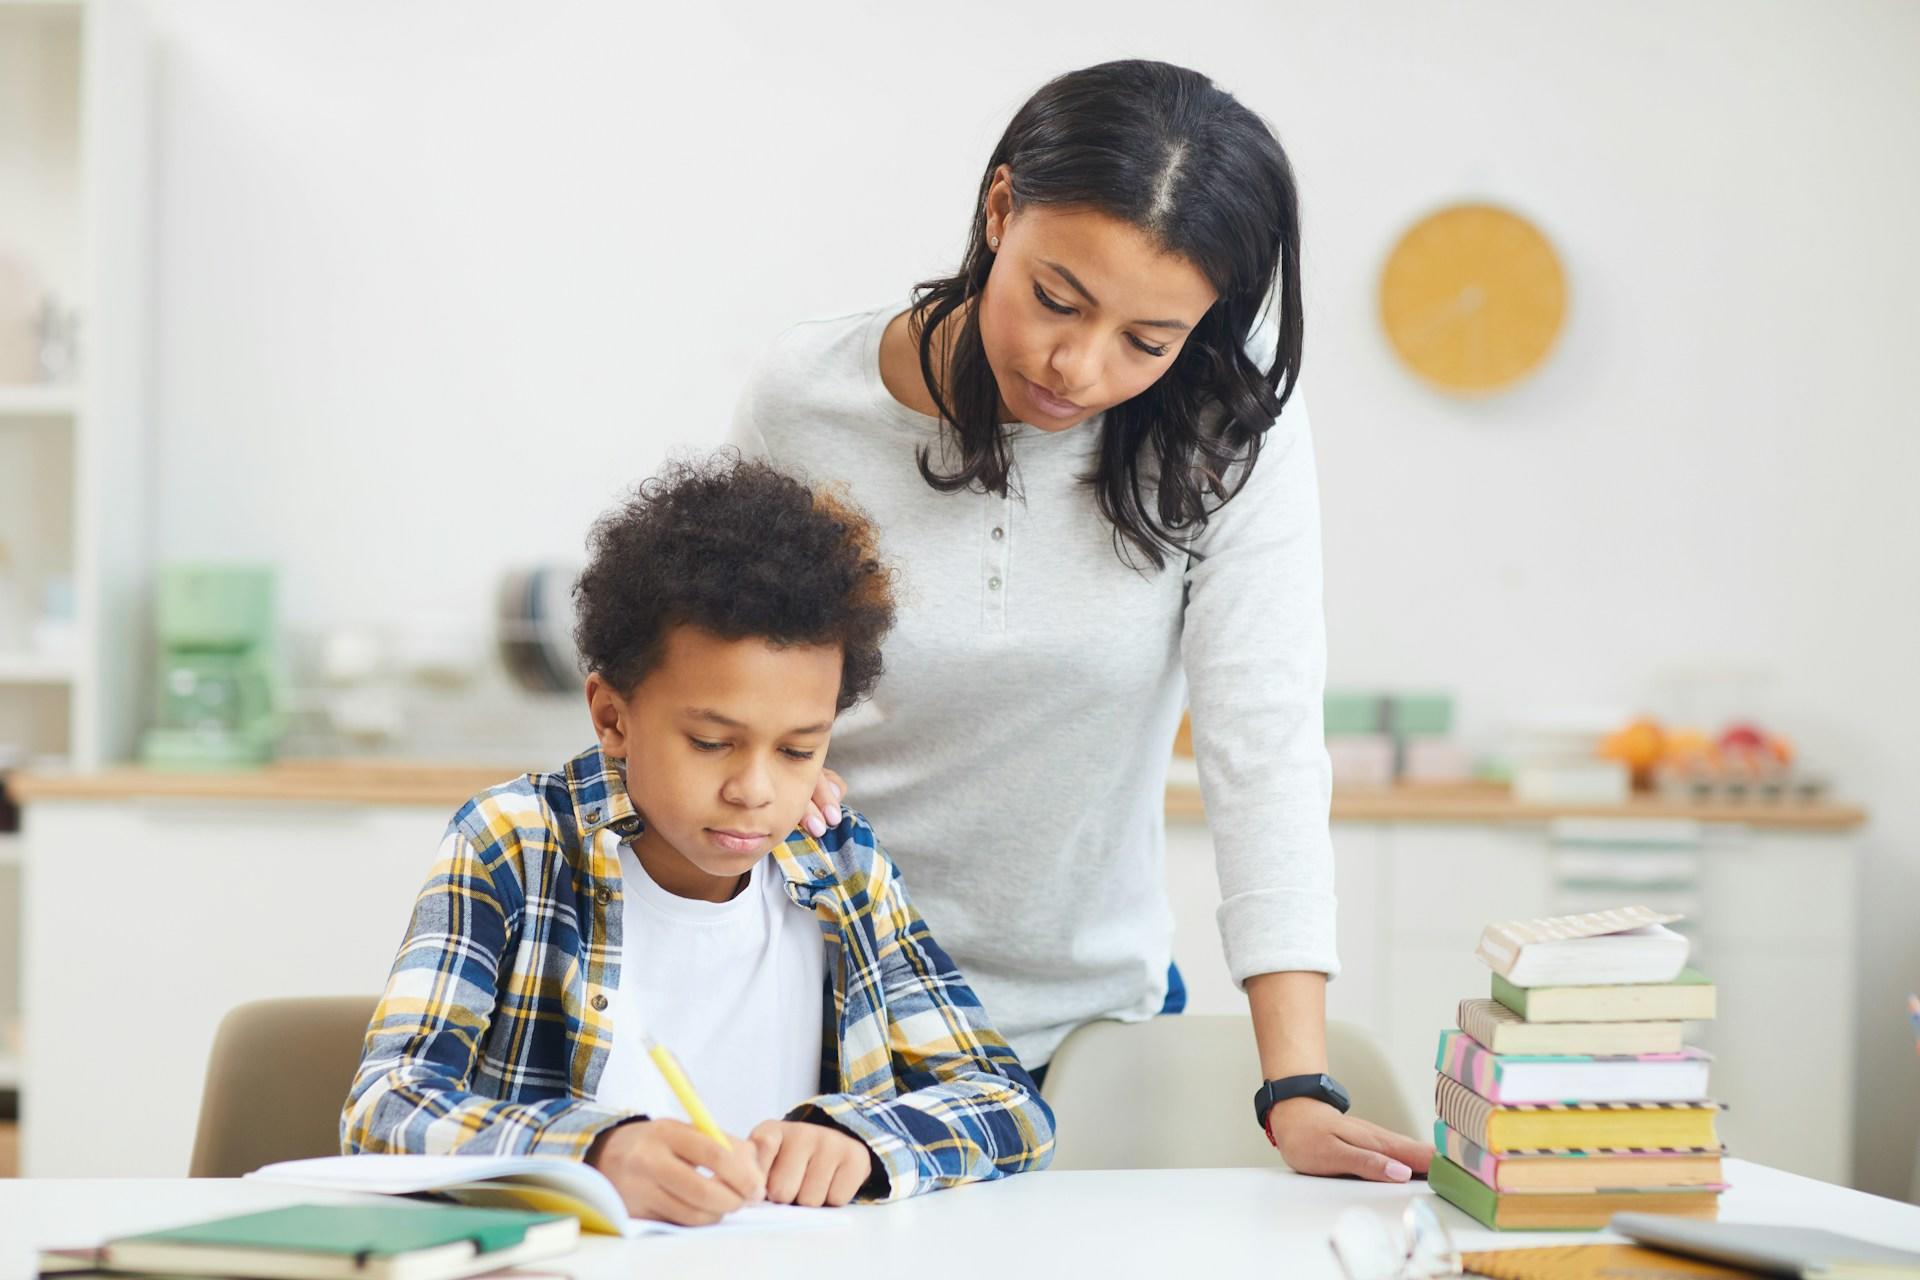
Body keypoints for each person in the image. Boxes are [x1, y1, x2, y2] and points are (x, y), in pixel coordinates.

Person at [733, 59, 1431, 1182]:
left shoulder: (1228, 435)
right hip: (808, 1007)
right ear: (1000, 209)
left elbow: (1263, 744)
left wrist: (1295, 1083)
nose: (1078, 364)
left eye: (1147, 340)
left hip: (1095, 1033)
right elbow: (720, 684)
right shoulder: (805, 401)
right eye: (1056, 297)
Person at [342, 454, 1054, 1225]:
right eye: (713, 743)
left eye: (796, 751)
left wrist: (866, 1141)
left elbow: (1008, 1101)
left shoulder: (842, 863)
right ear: (613, 717)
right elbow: (384, 1107)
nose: (754, 790)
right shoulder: (516, 844)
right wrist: (596, 1153)